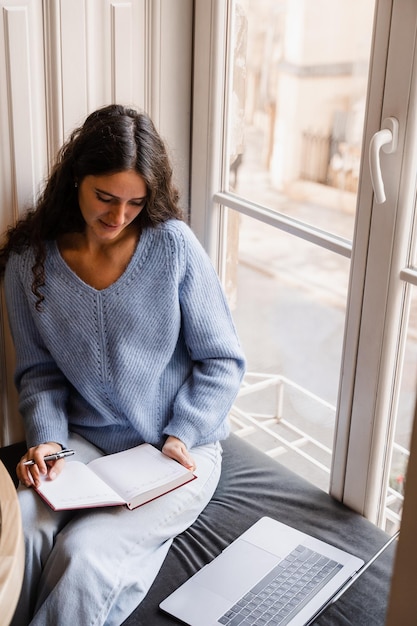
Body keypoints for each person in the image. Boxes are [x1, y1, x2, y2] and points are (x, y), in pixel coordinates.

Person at [0, 104, 245, 625]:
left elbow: (223, 360)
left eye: (135, 203)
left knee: (86, 555)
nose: (118, 216)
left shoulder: (173, 247)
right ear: (75, 182)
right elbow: (39, 373)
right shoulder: (28, 262)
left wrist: (183, 432)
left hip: (177, 452)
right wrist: (46, 439)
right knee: (18, 523)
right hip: (86, 443)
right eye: (105, 198)